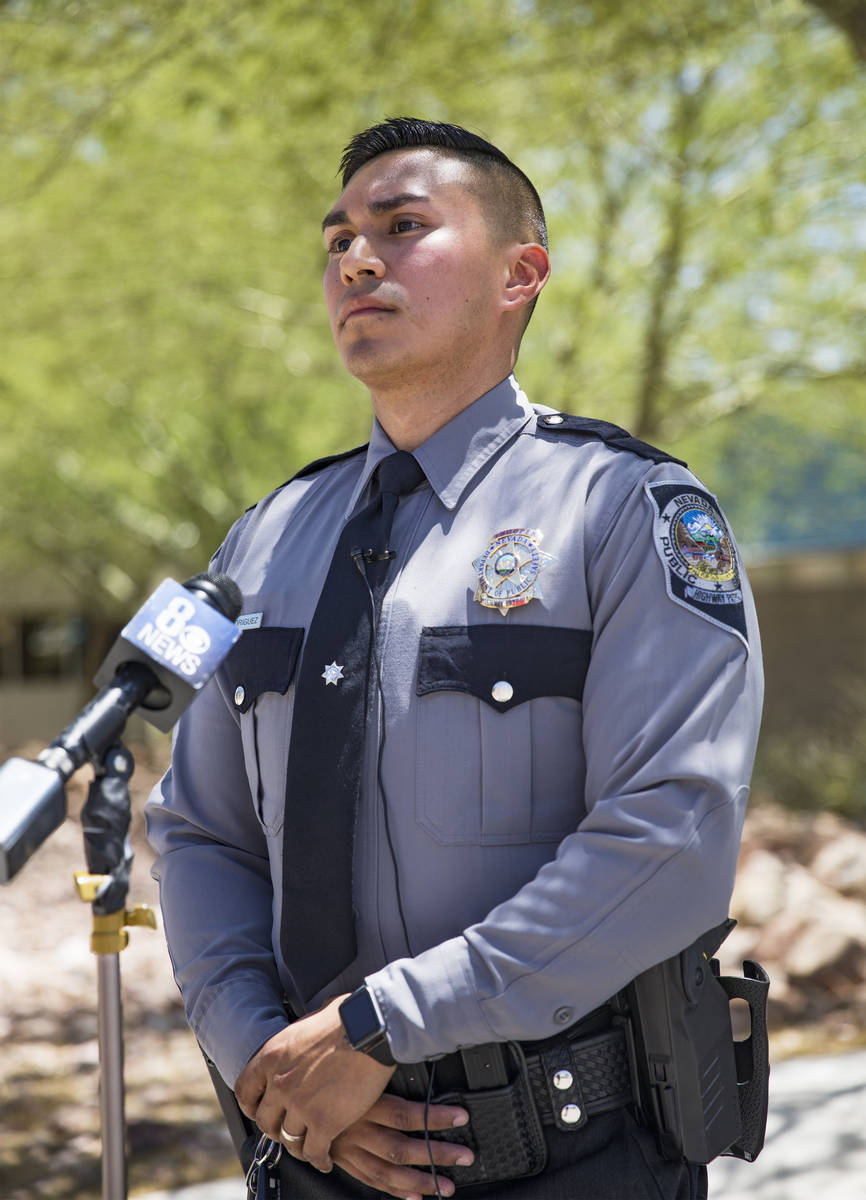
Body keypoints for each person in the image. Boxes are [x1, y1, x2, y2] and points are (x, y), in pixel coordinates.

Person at [146, 117, 763, 1200]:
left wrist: (378, 1028)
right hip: (313, 1150)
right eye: (335, 240)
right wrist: (261, 1057)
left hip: (573, 1153)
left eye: (402, 226)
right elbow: (200, 829)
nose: (356, 260)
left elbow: (671, 832)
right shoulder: (264, 537)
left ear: (519, 273)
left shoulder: (620, 507)